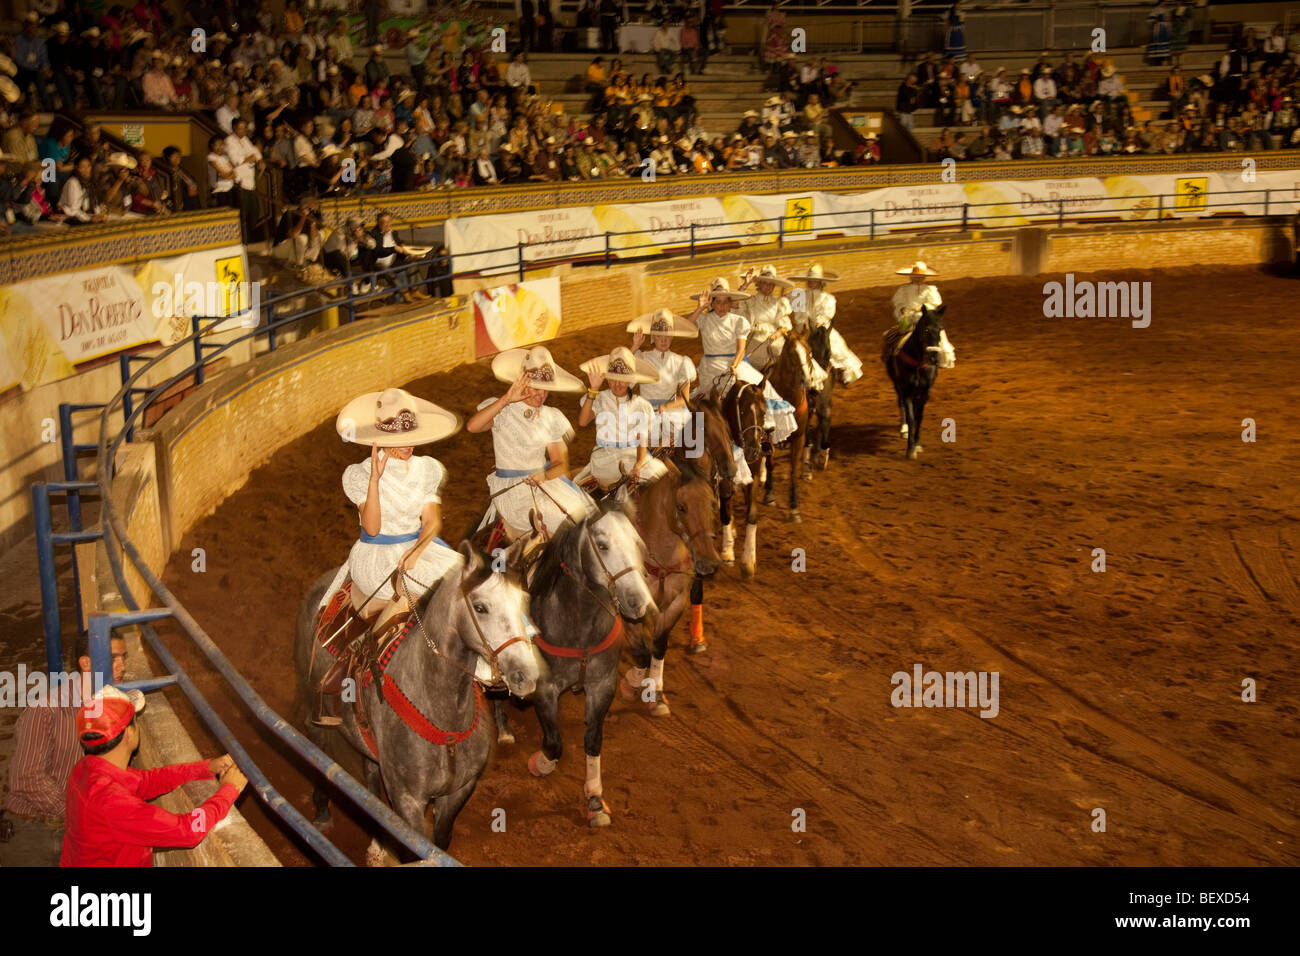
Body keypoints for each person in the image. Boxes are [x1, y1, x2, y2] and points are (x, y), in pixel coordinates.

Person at [317, 386, 461, 643]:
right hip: (377, 556)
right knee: (442, 591)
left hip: (416, 548)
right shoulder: (359, 474)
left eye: (411, 436)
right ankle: (374, 648)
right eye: (398, 440)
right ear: (379, 439)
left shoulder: (427, 468)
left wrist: (416, 551)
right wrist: (375, 480)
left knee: (471, 577)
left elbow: (431, 520)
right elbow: (372, 528)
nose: (407, 446)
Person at [61, 686, 247, 867]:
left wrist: (206, 767)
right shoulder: (113, 803)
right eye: (135, 719)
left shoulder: (86, 769)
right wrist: (229, 790)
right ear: (129, 733)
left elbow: (148, 781)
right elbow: (189, 831)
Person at [4, 633, 128, 864]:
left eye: (123, 657)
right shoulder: (46, 710)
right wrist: (80, 814)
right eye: (113, 658)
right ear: (86, 663)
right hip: (37, 829)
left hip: (76, 827)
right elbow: (26, 778)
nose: (122, 666)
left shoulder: (109, 705)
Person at [466, 345, 593, 544]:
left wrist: (545, 475)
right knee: (562, 520)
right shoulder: (504, 410)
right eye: (534, 387)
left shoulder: (552, 416)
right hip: (513, 489)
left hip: (544, 483)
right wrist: (506, 399)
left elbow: (560, 463)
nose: (540, 394)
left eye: (545, 389)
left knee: (585, 514)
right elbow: (473, 427)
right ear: (522, 383)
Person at [575, 346, 666, 492]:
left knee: (660, 472)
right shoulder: (599, 398)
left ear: (630, 380)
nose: (617, 384)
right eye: (613, 379)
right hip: (604, 458)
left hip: (631, 456)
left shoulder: (641, 405)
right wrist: (593, 389)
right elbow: (583, 421)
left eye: (622, 380)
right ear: (608, 378)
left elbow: (641, 440)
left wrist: (638, 464)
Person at [627, 308, 699, 447]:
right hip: (646, 411)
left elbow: (685, 398)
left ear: (672, 337)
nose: (664, 340)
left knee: (694, 440)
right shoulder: (642, 358)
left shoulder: (681, 361)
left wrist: (666, 406)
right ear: (653, 337)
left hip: (672, 411)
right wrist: (635, 346)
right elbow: (622, 376)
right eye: (659, 336)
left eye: (667, 336)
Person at [788, 263, 862, 386]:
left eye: (815, 281)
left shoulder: (828, 298)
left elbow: (826, 315)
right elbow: (797, 314)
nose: (812, 283)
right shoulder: (799, 295)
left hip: (821, 329)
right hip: (802, 329)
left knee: (836, 346)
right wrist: (803, 323)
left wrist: (818, 323)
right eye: (810, 281)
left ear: (821, 283)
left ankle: (841, 372)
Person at [735, 263, 794, 369]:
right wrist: (745, 285)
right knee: (752, 359)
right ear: (759, 284)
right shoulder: (750, 301)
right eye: (765, 283)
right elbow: (735, 304)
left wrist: (777, 334)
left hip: (775, 339)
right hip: (755, 338)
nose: (768, 286)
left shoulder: (779, 302)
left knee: (795, 356)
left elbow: (785, 325)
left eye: (771, 284)